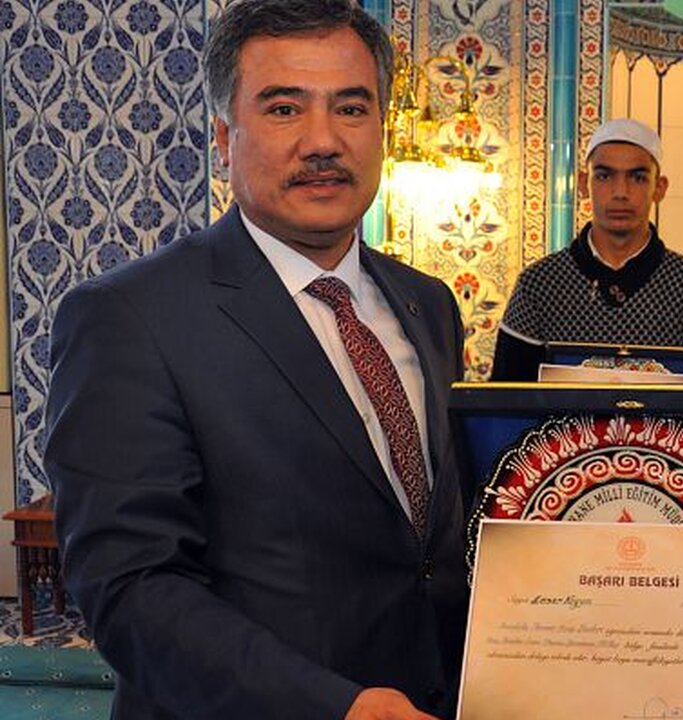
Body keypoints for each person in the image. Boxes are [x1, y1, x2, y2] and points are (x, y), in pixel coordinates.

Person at [44, 2, 467, 718]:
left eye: (352, 108)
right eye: (283, 109)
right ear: (223, 137)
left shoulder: (428, 304)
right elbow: (132, 589)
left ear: (382, 130)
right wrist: (336, 707)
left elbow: (436, 547)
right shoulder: (129, 317)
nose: (323, 141)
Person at [489, 118, 683, 383]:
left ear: (659, 188)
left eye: (638, 178)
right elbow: (506, 395)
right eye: (605, 176)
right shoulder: (539, 285)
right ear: (584, 183)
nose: (620, 192)